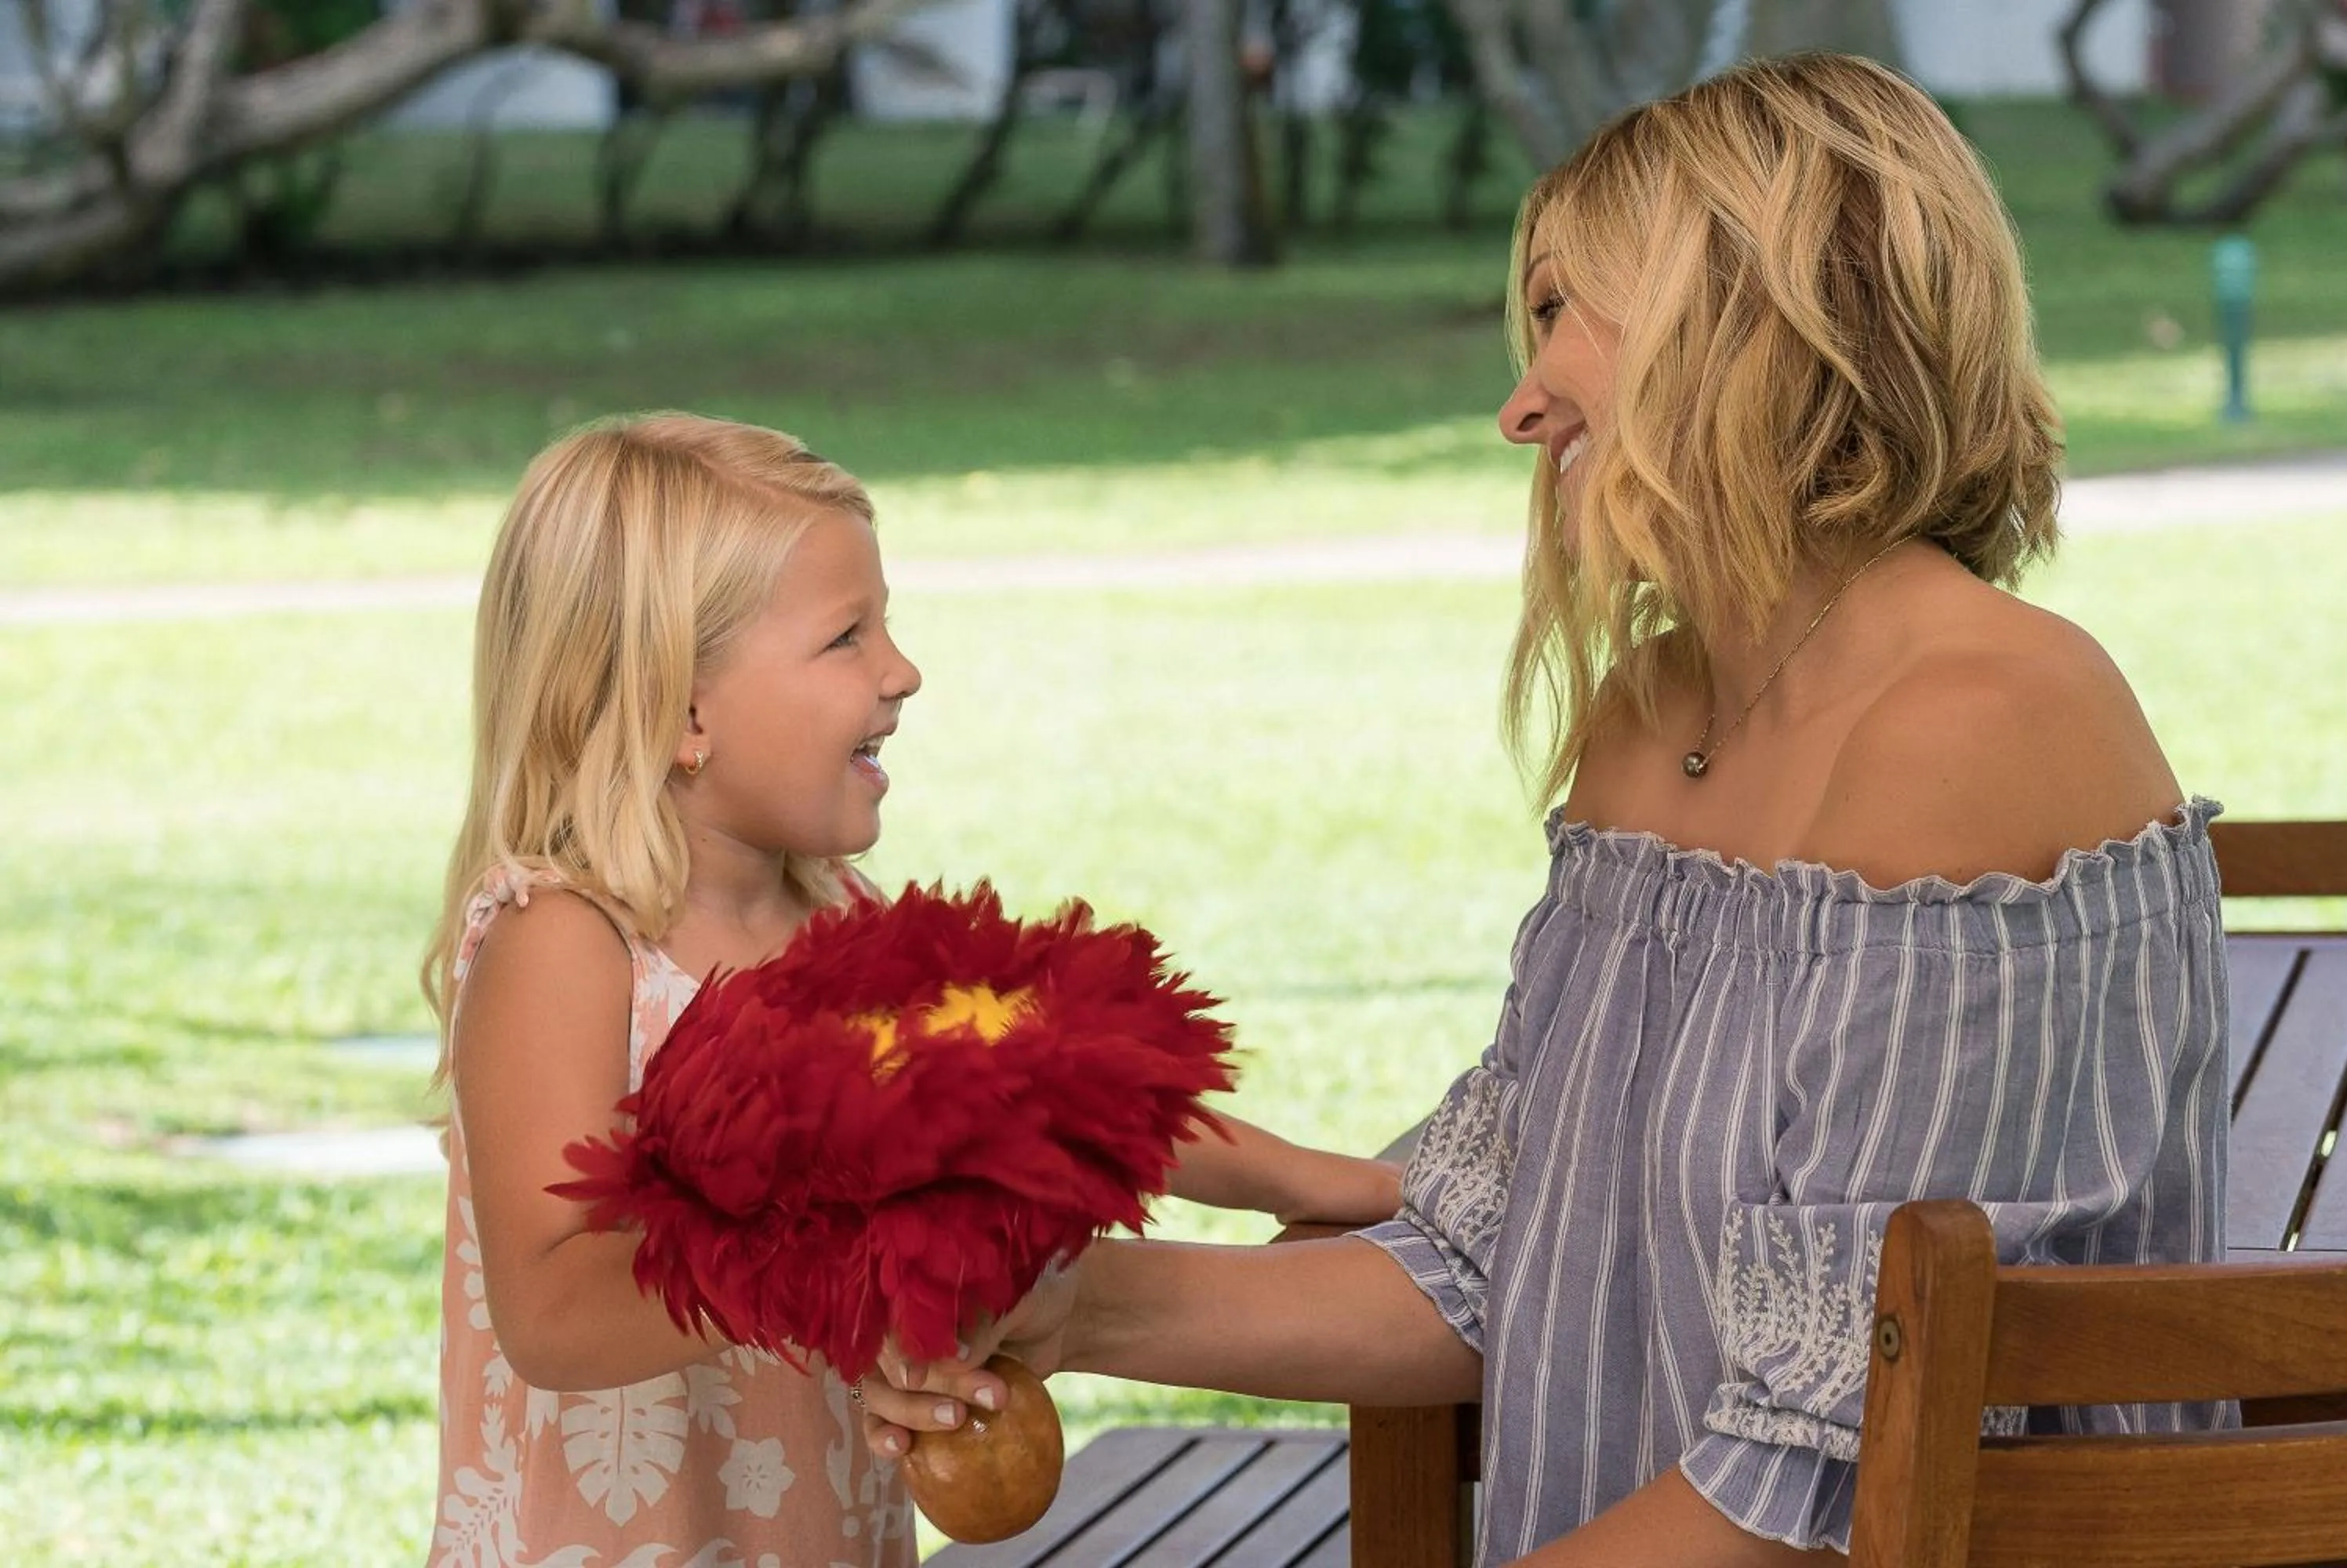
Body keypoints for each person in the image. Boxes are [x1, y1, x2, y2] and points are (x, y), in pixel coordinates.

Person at [858, 53, 2230, 1566]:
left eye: (1565, 316)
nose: (1521, 406)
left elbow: (1831, 1460)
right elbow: (1502, 1256)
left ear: (1748, 326)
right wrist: (1071, 1304)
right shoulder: (1655, 716)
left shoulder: (1981, 723)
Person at [418, 413, 1401, 1568]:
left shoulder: (845, 925)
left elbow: (1056, 1101)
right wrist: (847, 1273)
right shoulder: (566, 940)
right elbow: (551, 1310)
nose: (903, 671)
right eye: (847, 639)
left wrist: (1325, 1183)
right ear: (683, 711)